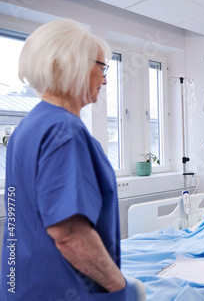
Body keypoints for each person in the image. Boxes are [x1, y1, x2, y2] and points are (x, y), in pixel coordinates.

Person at [1, 19, 127, 300]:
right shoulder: (64, 131)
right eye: (102, 67)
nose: (105, 80)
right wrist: (120, 287)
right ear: (75, 63)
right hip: (63, 288)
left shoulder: (28, 126)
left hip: (25, 285)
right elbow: (69, 233)